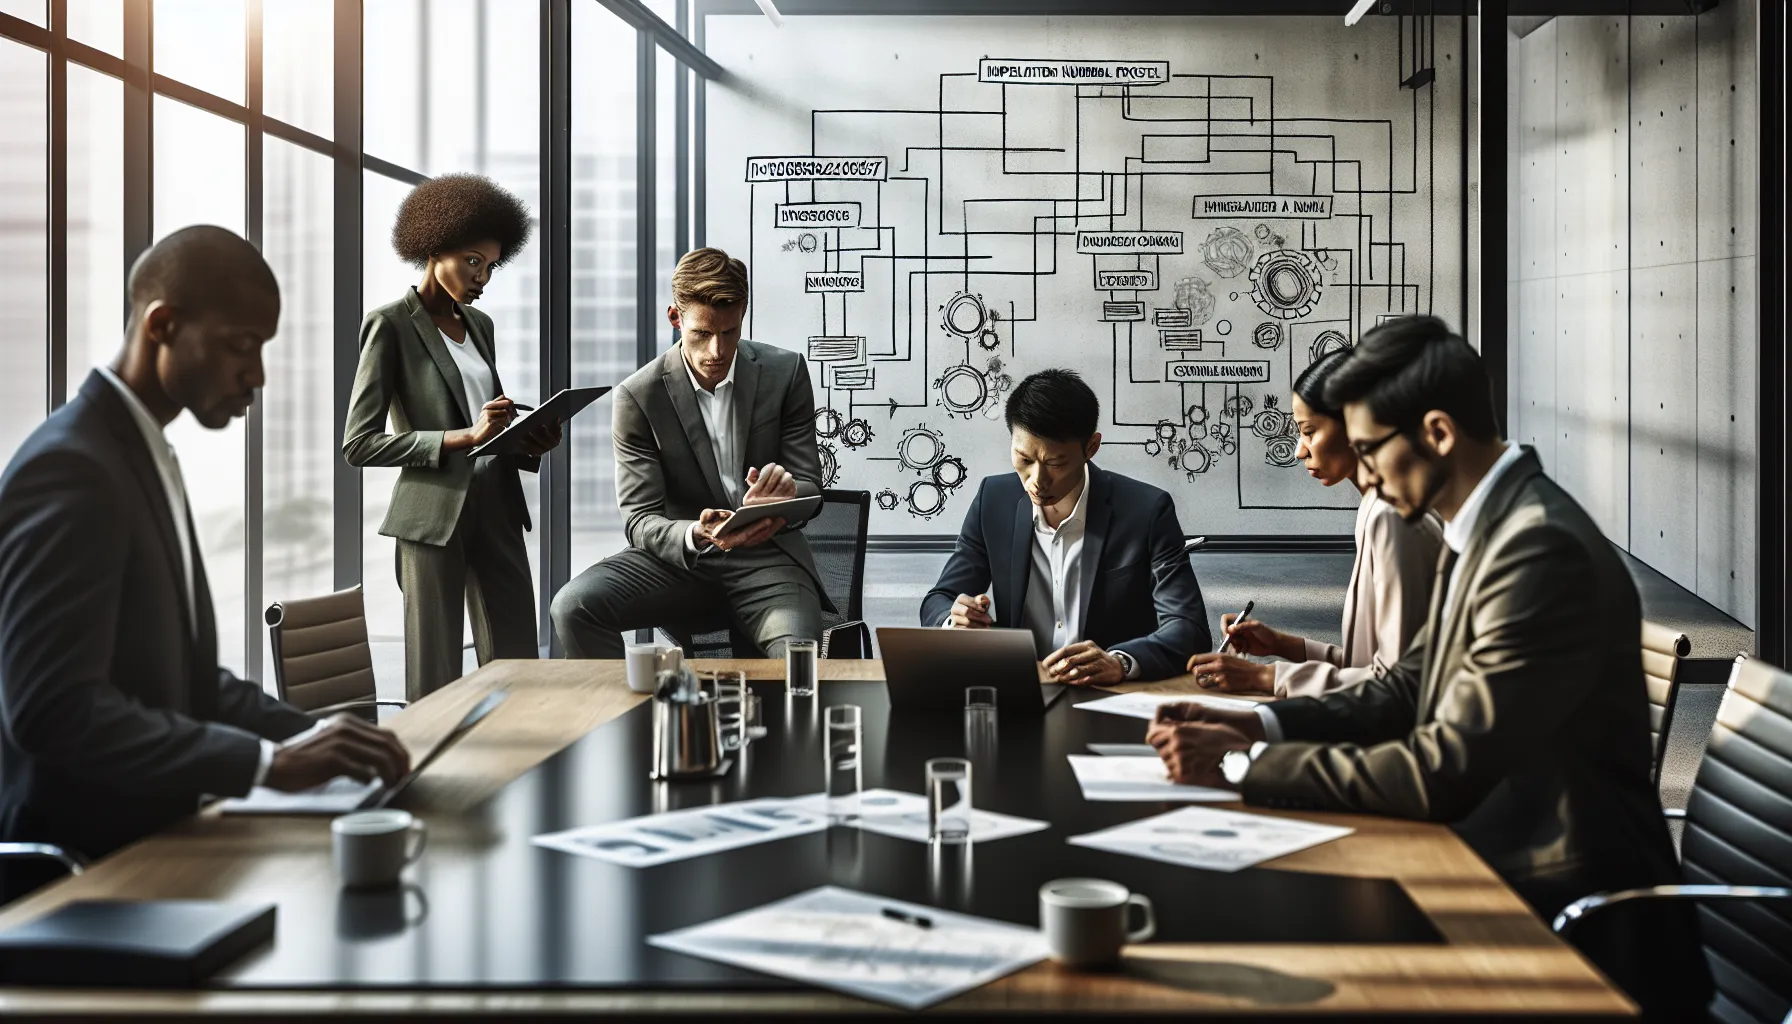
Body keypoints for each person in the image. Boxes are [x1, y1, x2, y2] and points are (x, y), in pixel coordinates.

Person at [1143, 316, 1710, 1019]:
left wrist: (1242, 764)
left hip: (1557, 908)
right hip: (1494, 855)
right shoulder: (1484, 526)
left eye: (1370, 448)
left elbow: (1440, 767)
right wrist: (1255, 719)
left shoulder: (1537, 551)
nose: (1367, 472)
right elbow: (1406, 687)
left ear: (1438, 433)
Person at [0, 226, 411, 902]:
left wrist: (316, 739)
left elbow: (185, 679)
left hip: (158, 843)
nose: (257, 375)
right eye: (240, 346)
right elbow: (54, 709)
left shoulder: (138, 452)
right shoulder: (71, 467)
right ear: (162, 324)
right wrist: (266, 764)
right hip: (82, 878)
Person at [344, 174, 561, 700]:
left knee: (517, 662)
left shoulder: (480, 324)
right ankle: (431, 776)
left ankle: (523, 769)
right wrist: (464, 436)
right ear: (433, 245)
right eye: (472, 261)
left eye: (489, 266)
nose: (482, 276)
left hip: (498, 505)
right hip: (432, 515)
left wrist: (526, 439)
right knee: (435, 671)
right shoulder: (389, 325)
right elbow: (359, 443)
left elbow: (488, 418)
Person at [550, 248, 828, 658]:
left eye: (730, 332)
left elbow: (811, 489)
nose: (717, 350)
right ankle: (627, 720)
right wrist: (695, 534)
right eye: (701, 333)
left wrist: (787, 496)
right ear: (675, 318)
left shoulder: (785, 373)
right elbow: (640, 520)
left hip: (769, 563)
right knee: (572, 607)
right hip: (680, 563)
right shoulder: (638, 397)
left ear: (743, 314)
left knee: (796, 661)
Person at [921, 369, 1211, 683]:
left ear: (1091, 447)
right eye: (1024, 458)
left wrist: (1120, 663)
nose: (1037, 481)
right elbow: (939, 599)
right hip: (1020, 690)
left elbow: (1188, 628)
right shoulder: (994, 500)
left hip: (1109, 696)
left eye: (1056, 463)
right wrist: (955, 619)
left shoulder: (1147, 511)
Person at [1185, 349, 1442, 697]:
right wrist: (1283, 644)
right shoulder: (1374, 506)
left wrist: (1265, 678)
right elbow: (1367, 665)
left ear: (1358, 425)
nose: (1299, 451)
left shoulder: (1393, 517)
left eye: (1310, 432)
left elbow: (1399, 684)